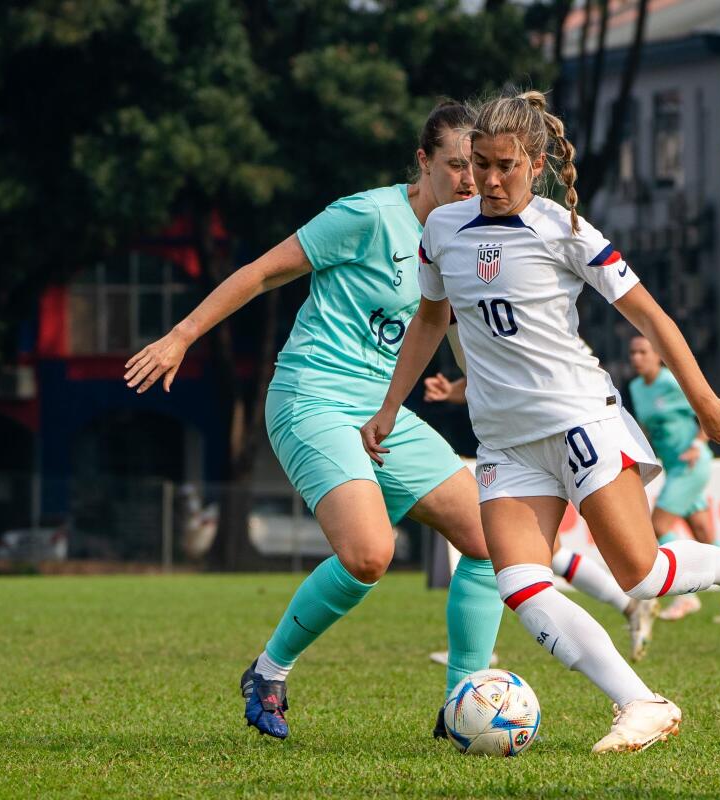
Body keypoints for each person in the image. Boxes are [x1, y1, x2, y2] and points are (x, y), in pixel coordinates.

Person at [361, 90, 720, 754]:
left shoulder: (567, 230)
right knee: (521, 585)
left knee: (639, 576)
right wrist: (390, 405)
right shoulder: (440, 230)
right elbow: (431, 320)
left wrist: (700, 395)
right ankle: (640, 702)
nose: (490, 181)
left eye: (506, 166)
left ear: (538, 161)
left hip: (582, 421)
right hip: (505, 442)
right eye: (479, 165)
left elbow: (651, 317)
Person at [126, 102, 504, 742]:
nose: (471, 181)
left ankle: (462, 704)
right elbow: (261, 272)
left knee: (494, 542)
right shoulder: (365, 216)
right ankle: (269, 671)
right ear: (424, 162)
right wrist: (180, 336)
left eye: (479, 168)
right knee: (369, 555)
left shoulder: (464, 235)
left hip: (382, 411)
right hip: (312, 398)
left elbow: (449, 322)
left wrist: (477, 389)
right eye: (457, 165)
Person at [425, 362, 658, 661]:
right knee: (538, 554)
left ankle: (476, 652)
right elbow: (487, 372)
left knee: (504, 552)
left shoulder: (468, 317)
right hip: (521, 437)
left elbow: (510, 367)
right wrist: (454, 390)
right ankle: (628, 607)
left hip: (541, 436)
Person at [627, 335, 720, 622]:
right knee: (703, 535)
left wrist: (698, 444)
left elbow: (707, 408)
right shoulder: (636, 388)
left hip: (691, 464)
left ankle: (687, 597)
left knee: (655, 527)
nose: (636, 358)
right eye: (633, 353)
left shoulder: (671, 382)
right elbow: (647, 428)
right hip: (672, 466)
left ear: (658, 355)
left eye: (642, 352)